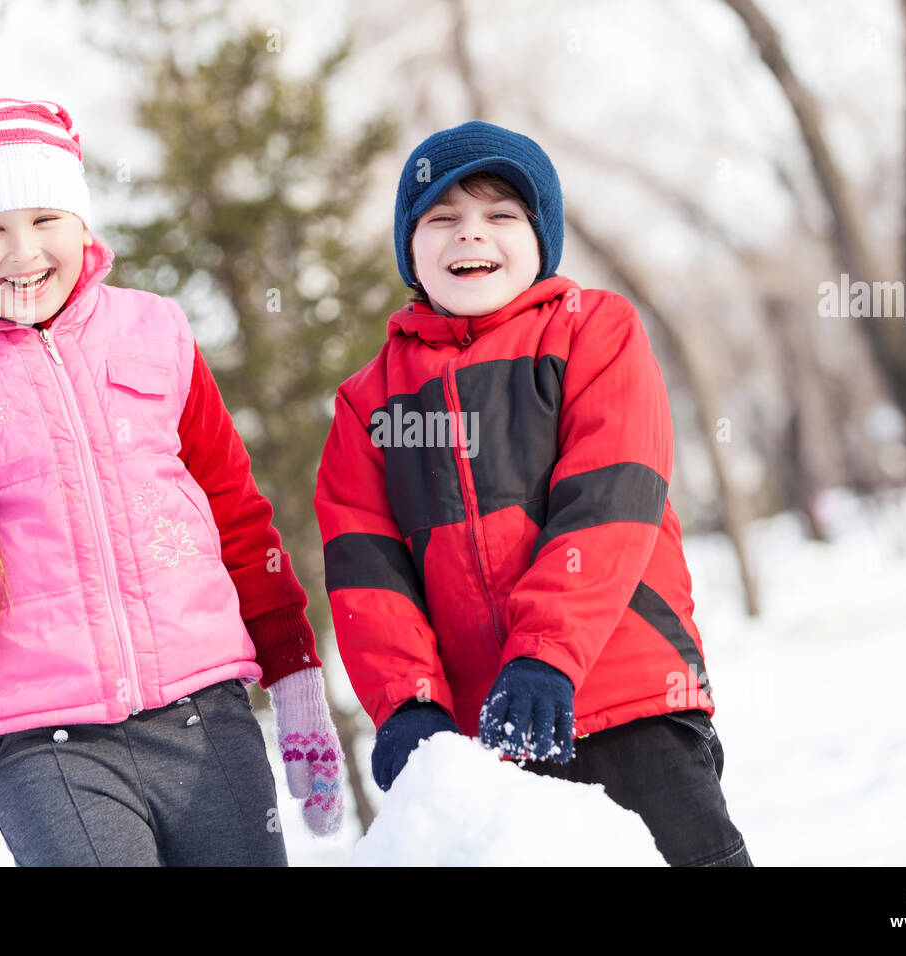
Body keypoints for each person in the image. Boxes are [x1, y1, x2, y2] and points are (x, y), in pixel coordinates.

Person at [0, 97, 343, 867]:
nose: (24, 252)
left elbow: (241, 525)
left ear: (82, 222)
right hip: (42, 751)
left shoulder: (156, 332)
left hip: (204, 716)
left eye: (45, 218)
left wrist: (297, 687)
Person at [313, 120, 751, 866]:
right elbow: (366, 566)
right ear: (409, 252)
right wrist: (410, 701)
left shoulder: (593, 333)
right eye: (441, 219)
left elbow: (611, 499)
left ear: (541, 235)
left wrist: (546, 654)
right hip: (491, 741)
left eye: (499, 215)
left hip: (627, 696)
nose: (468, 236)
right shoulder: (370, 403)